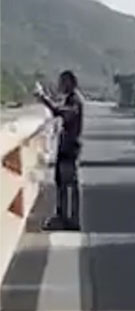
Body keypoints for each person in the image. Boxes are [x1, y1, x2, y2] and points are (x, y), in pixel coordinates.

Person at [34, 70, 84, 231]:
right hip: (66, 147)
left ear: (70, 82)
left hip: (70, 148)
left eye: (62, 82)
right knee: (62, 183)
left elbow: (60, 112)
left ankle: (71, 219)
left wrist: (43, 98)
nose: (60, 85)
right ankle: (63, 217)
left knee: (68, 184)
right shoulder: (71, 99)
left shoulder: (75, 100)